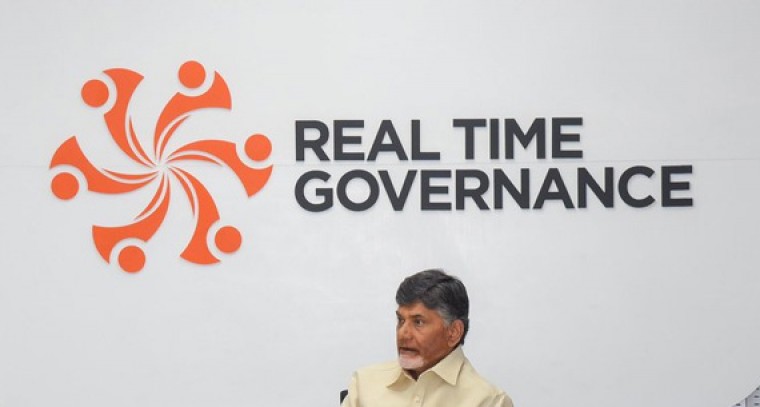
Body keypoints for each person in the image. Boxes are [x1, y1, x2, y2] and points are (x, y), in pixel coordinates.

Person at [341, 269, 513, 407]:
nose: (403, 334)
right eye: (401, 320)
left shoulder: (489, 402)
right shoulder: (364, 384)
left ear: (453, 332)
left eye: (418, 322)